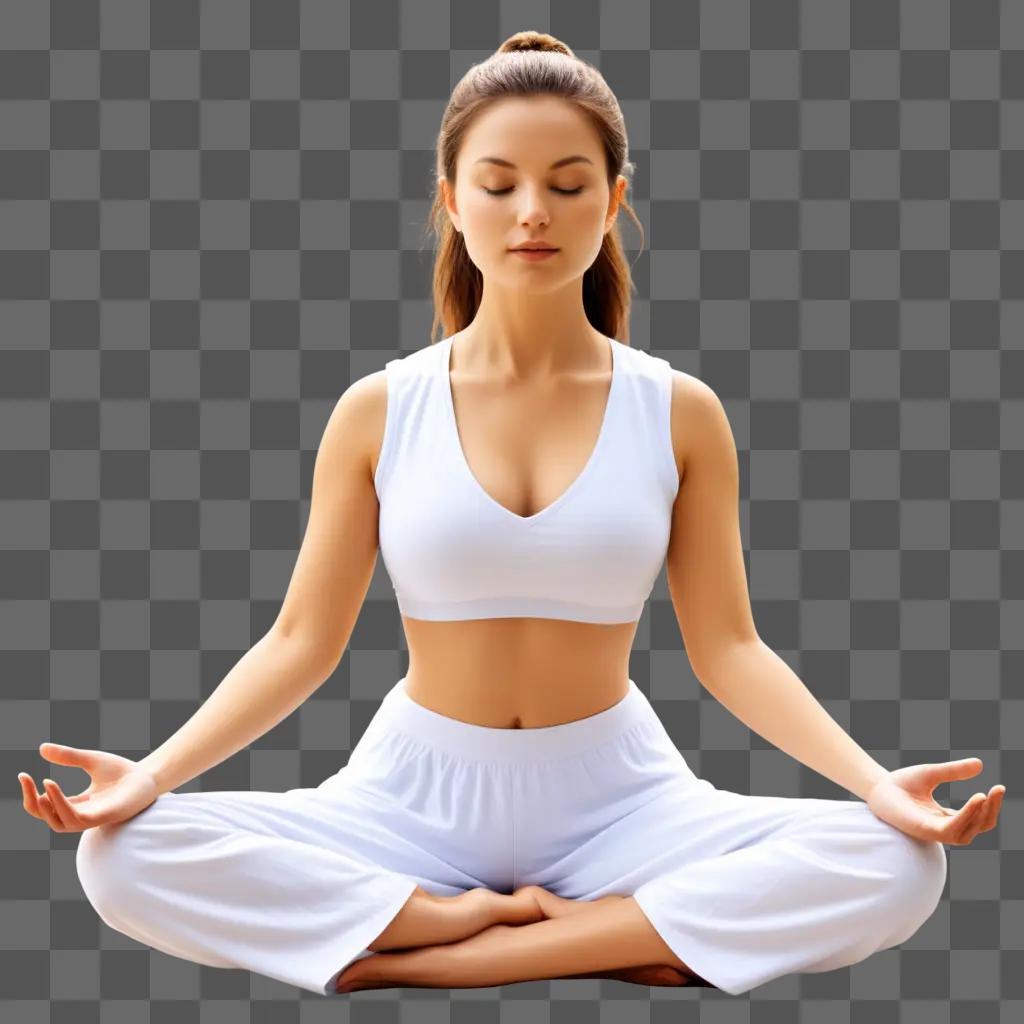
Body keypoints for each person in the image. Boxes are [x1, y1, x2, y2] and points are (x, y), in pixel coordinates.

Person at [19, 30, 1004, 998]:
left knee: (900, 864)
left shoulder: (678, 412)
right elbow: (298, 642)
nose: (533, 212)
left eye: (569, 184)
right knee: (120, 857)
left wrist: (874, 784)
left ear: (613, 201)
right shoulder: (379, 408)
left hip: (622, 800)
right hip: (408, 798)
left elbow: (731, 650)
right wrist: (149, 776)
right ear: (451, 200)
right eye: (498, 184)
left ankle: (440, 951)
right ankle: (565, 931)